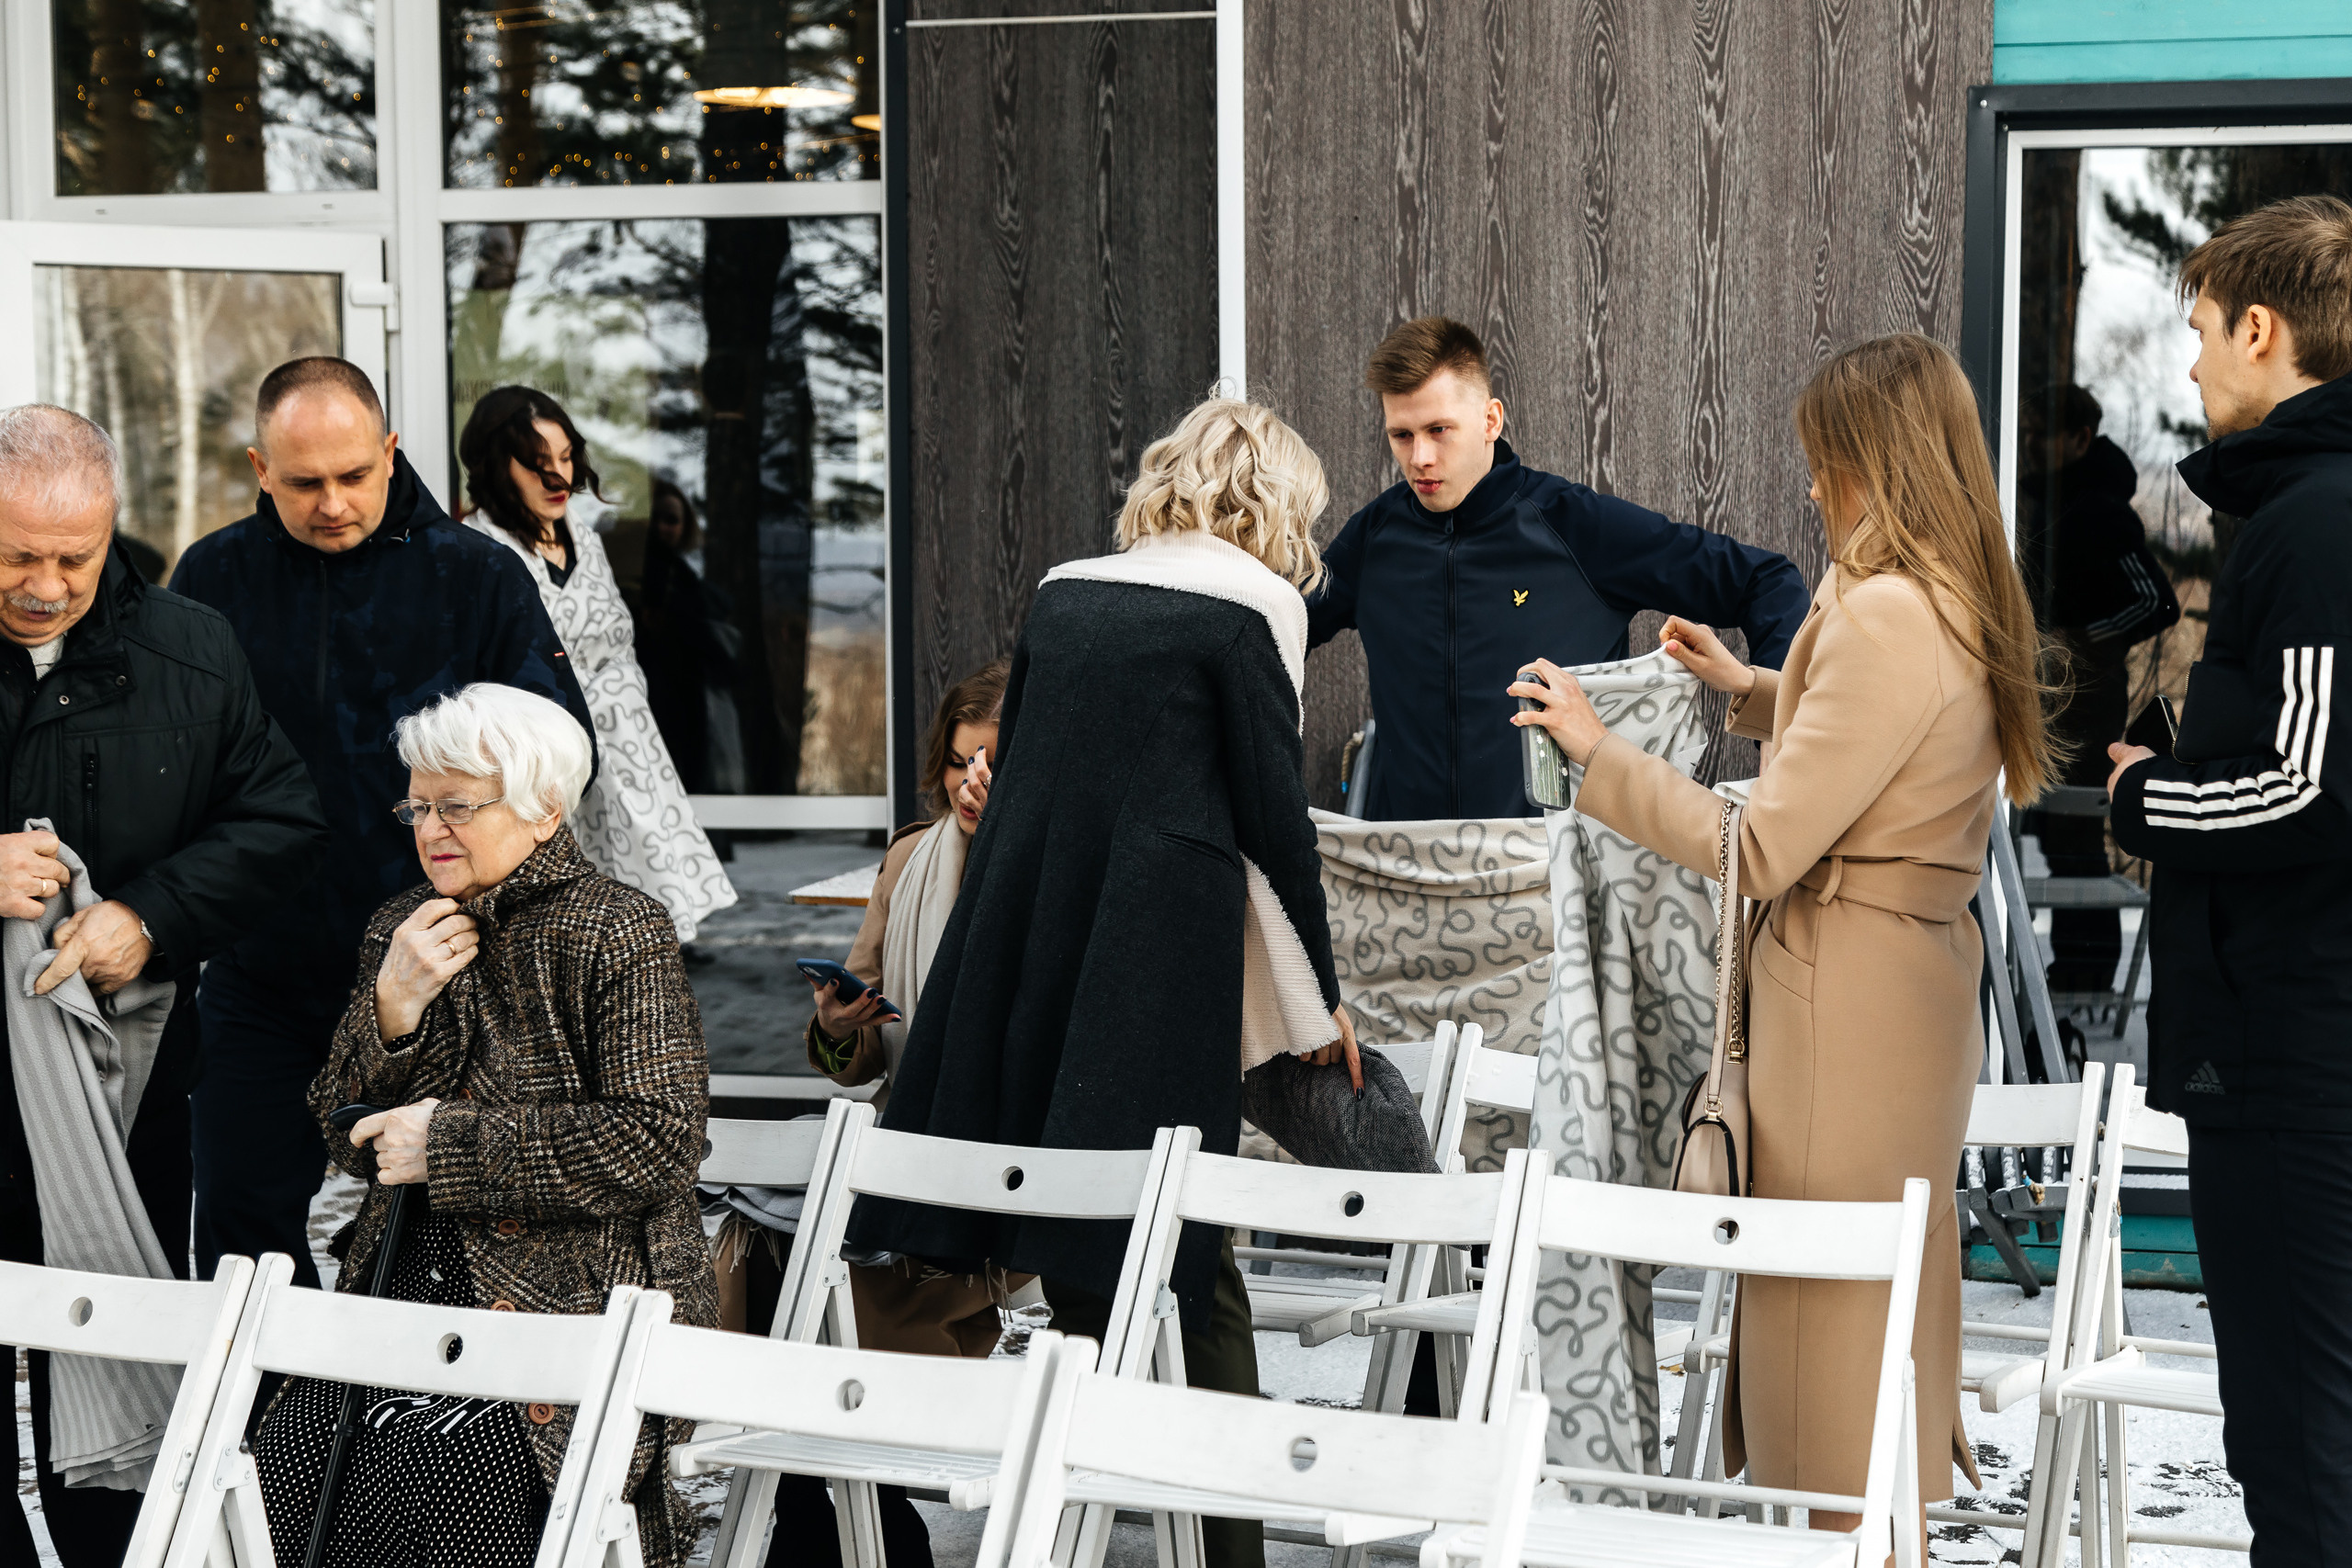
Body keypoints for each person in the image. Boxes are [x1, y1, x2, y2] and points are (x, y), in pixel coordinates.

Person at [1511, 334, 2061, 1529]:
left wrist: (1597, 757)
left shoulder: (1885, 613)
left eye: (1825, 459)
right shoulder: (1953, 598)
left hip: (1842, 1004)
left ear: (1877, 460)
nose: (1812, 485)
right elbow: (1881, 740)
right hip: (1910, 992)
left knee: (1822, 1353)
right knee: (1882, 1336)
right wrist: (1745, 686)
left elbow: (1758, 846)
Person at [845, 399, 1360, 1568]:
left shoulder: (1065, 592)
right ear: (1276, 501)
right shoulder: (1256, 604)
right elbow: (1275, 818)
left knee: (1077, 1215)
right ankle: (1222, 1544)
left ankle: (1108, 1505)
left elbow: (1025, 773)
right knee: (1186, 1244)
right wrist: (1320, 989)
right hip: (1159, 948)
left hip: (1031, 925)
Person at [261, 682, 714, 1568]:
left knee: (448, 1470)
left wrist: (448, 1148)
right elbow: (341, 1137)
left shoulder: (617, 928)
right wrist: (394, 1008)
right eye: (419, 806)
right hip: (403, 1285)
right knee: (289, 1454)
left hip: (579, 1292)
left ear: (544, 810)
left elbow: (660, 1138)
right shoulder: (402, 928)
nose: (432, 828)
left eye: (458, 806)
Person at [169, 358, 594, 1294]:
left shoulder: (476, 575)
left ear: (392, 451)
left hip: (445, 968)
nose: (332, 503)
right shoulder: (211, 576)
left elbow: (561, 756)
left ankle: (408, 1396)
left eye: (354, 475)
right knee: (240, 1227)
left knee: (443, 1243)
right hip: (262, 969)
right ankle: (268, 1394)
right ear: (259, 468)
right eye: (304, 482)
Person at [0, 406, 327, 1566]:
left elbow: (280, 819)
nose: (46, 587)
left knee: (120, 1356)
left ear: (112, 530)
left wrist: (150, 918)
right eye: (17, 556)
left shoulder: (192, 648)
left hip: (125, 1092)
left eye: (74, 558)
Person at [2104, 194, 2352, 1560]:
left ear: (2262, 329)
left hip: (2296, 1058)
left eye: (2201, 330)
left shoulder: (2318, 521)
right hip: (2294, 1043)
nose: (2191, 363)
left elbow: (2312, 784)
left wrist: (2148, 795)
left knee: (2299, 1438)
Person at [707, 659, 1016, 1568]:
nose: (970, 781)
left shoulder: (1050, 871)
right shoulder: (910, 861)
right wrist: (840, 1027)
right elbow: (861, 1052)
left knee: (832, 1265)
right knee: (768, 1238)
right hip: (896, 1139)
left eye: (993, 761)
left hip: (1000, 1172)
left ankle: (844, 1521)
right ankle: (835, 1518)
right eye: (958, 761)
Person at [1307, 316, 1811, 820]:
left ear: (1490, 421)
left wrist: (1776, 726)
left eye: (1439, 430)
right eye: (1401, 435)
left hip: (1551, 860)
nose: (1419, 457)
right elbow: (1281, 627)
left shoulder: (1575, 526)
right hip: (1406, 856)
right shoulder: (1373, 538)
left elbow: (1766, 581)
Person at [458, 387, 737, 943]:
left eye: (566, 458)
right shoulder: (476, 549)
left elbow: (619, 642)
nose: (558, 477)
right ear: (495, 465)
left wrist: (621, 702)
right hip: (540, 769)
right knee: (560, 930)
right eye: (538, 464)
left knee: (633, 924)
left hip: (626, 754)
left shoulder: (580, 534)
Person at [2018, 384, 2178, 997]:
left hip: (2087, 702)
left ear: (2080, 438)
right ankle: (2070, 970)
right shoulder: (2039, 500)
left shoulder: (2103, 511)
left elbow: (2157, 601)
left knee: (2077, 834)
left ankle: (2089, 973)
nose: (2029, 444)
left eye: (2041, 433)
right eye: (2026, 431)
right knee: (2054, 835)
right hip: (2045, 694)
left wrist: (2083, 638)